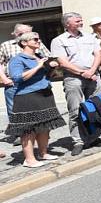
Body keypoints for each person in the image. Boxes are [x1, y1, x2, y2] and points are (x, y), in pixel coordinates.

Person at [5, 32, 66, 168]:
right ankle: (29, 159)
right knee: (28, 128)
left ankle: (43, 153)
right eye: (35, 39)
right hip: (27, 96)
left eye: (39, 39)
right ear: (24, 42)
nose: (39, 41)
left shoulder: (39, 57)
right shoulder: (17, 59)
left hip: (44, 93)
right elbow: (17, 78)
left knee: (45, 125)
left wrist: (52, 68)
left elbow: (46, 76)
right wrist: (38, 66)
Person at [50, 12, 101, 156]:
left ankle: (94, 137)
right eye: (77, 20)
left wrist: (91, 71)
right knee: (75, 110)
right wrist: (82, 73)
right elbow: (62, 62)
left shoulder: (89, 37)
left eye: (81, 20)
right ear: (67, 24)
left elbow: (98, 55)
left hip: (93, 76)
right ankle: (78, 141)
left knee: (96, 107)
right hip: (73, 78)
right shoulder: (58, 40)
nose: (81, 22)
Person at [1, 24, 51, 118]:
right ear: (15, 34)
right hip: (14, 84)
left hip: (35, 84)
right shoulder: (6, 45)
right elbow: (0, 64)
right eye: (21, 34)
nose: (25, 35)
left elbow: (48, 59)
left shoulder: (38, 43)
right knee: (17, 116)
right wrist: (4, 79)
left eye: (28, 33)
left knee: (40, 115)